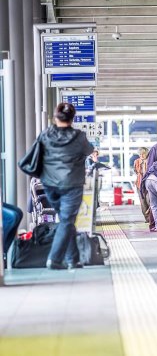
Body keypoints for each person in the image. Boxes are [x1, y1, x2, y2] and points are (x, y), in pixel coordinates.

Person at [35, 102, 94, 270]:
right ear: (72, 118)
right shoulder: (80, 137)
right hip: (72, 185)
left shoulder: (45, 135)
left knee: (66, 221)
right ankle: (54, 259)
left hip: (49, 185)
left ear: (55, 117)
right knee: (67, 221)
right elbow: (89, 150)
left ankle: (73, 259)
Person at [134, 147, 154, 229]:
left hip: (149, 183)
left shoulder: (150, 161)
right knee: (143, 202)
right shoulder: (137, 161)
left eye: (143, 154)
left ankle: (152, 218)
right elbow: (136, 171)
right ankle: (147, 219)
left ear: (147, 153)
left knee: (150, 201)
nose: (141, 155)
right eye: (140, 154)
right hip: (139, 184)